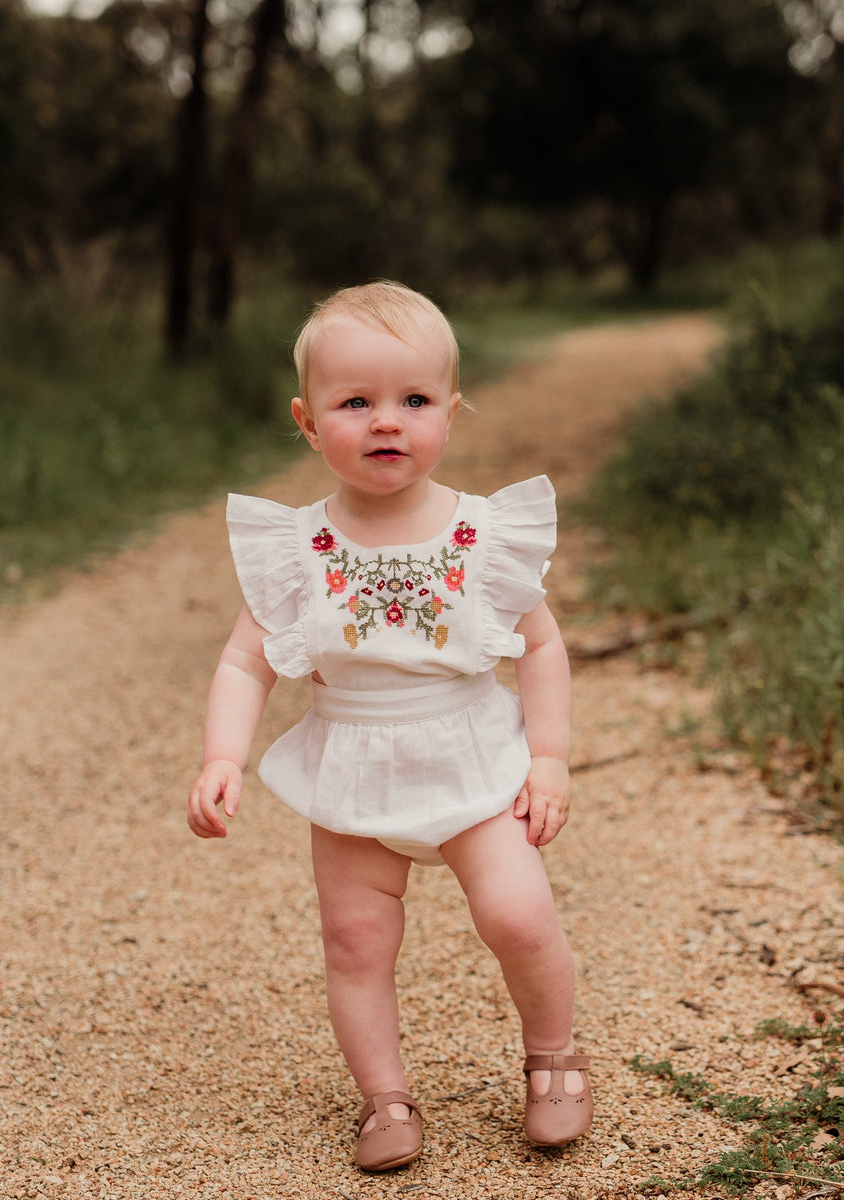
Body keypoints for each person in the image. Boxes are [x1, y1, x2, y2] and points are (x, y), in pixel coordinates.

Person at [186, 281, 591, 1171]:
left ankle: (555, 1054)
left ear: (450, 410)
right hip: (353, 764)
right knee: (356, 940)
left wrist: (551, 758)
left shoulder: (482, 536)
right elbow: (244, 662)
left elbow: (544, 647)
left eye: (412, 401)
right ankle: (384, 1098)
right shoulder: (297, 549)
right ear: (307, 419)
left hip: (475, 752)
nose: (385, 422)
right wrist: (225, 754)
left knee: (519, 914)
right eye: (355, 402)